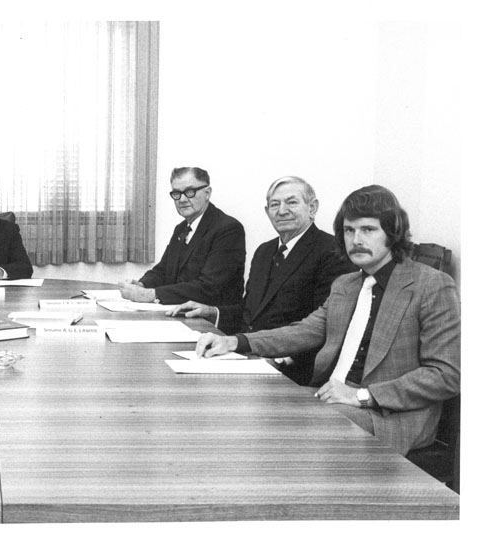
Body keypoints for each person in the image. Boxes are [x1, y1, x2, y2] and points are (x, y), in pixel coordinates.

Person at [195, 185, 459, 454]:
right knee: (241, 410)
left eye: (368, 230)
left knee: (279, 433)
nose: (356, 239)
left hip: (390, 416)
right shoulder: (347, 284)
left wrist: (361, 396)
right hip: (328, 399)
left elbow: (446, 375)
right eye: (348, 230)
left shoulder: (432, 285)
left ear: (392, 233)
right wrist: (234, 342)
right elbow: (304, 331)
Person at [167, 176, 353, 384]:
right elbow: (251, 314)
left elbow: (322, 329)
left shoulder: (332, 252)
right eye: (275, 204)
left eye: (291, 202)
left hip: (292, 369)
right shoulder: (265, 252)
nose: (282, 210)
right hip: (247, 356)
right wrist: (213, 312)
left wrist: (282, 360)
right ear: (267, 212)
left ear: (312, 208)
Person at [120, 167, 245, 306]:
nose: (182, 199)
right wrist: (141, 284)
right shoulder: (181, 229)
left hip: (209, 320)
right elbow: (163, 270)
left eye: (190, 192)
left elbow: (209, 288)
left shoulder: (228, 229)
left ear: (207, 193)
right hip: (179, 312)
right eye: (177, 193)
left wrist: (152, 294)